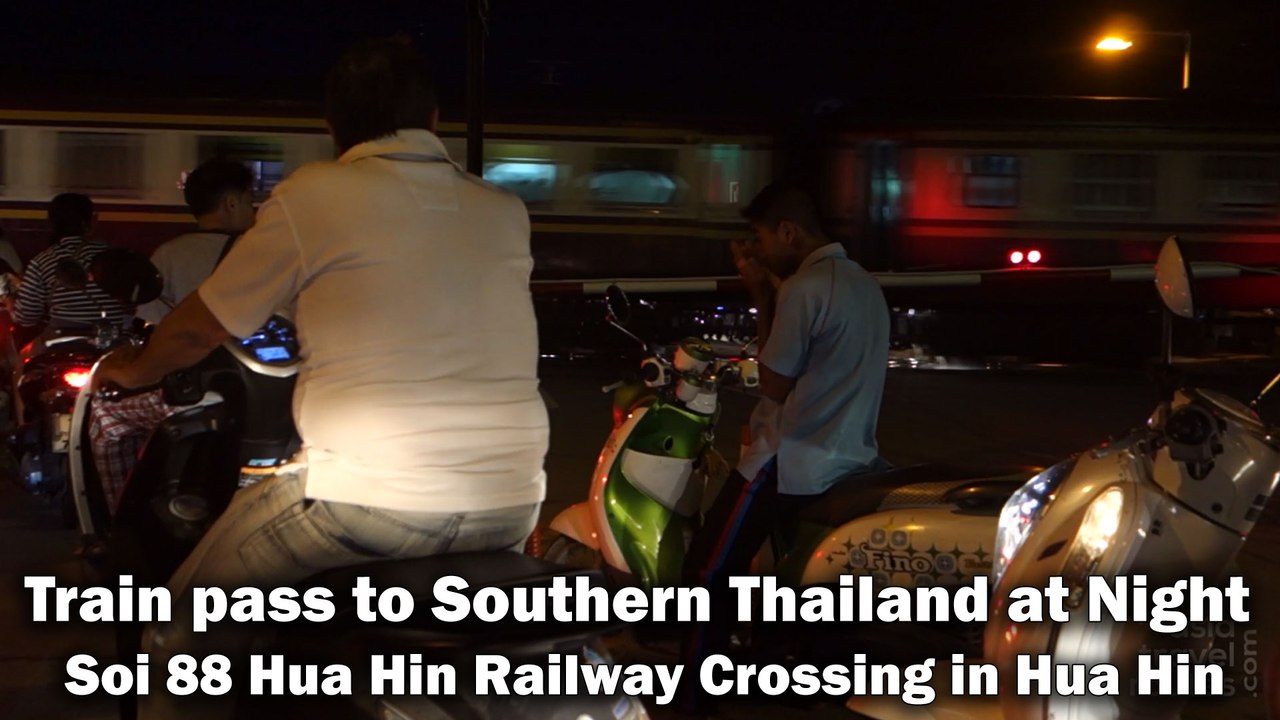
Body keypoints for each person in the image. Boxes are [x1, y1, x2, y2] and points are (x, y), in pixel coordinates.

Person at [94, 37, 549, 720]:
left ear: (334, 129)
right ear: (434, 120)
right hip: (512, 502)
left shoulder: (313, 194)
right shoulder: (503, 209)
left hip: (371, 501)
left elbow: (194, 331)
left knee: (181, 631)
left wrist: (130, 370)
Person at [678, 184, 890, 715]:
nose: (761, 249)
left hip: (787, 458)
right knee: (792, 578)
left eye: (763, 237)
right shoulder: (864, 285)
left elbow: (773, 380)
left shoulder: (804, 288)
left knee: (706, 570)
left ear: (788, 232)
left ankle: (696, 693)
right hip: (849, 458)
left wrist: (761, 294)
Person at [89, 158, 258, 515]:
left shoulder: (171, 253)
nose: (252, 209)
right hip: (263, 391)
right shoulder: (263, 253)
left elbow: (152, 330)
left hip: (197, 393)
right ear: (231, 203)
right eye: (249, 200)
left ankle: (118, 520)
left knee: (105, 412)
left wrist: (126, 371)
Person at [11, 193, 125, 346]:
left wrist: (10, 303)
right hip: (111, 340)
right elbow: (130, 305)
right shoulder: (114, 257)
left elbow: (26, 317)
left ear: (52, 224)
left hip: (62, 341)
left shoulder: (42, 261)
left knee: (24, 356)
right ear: (90, 221)